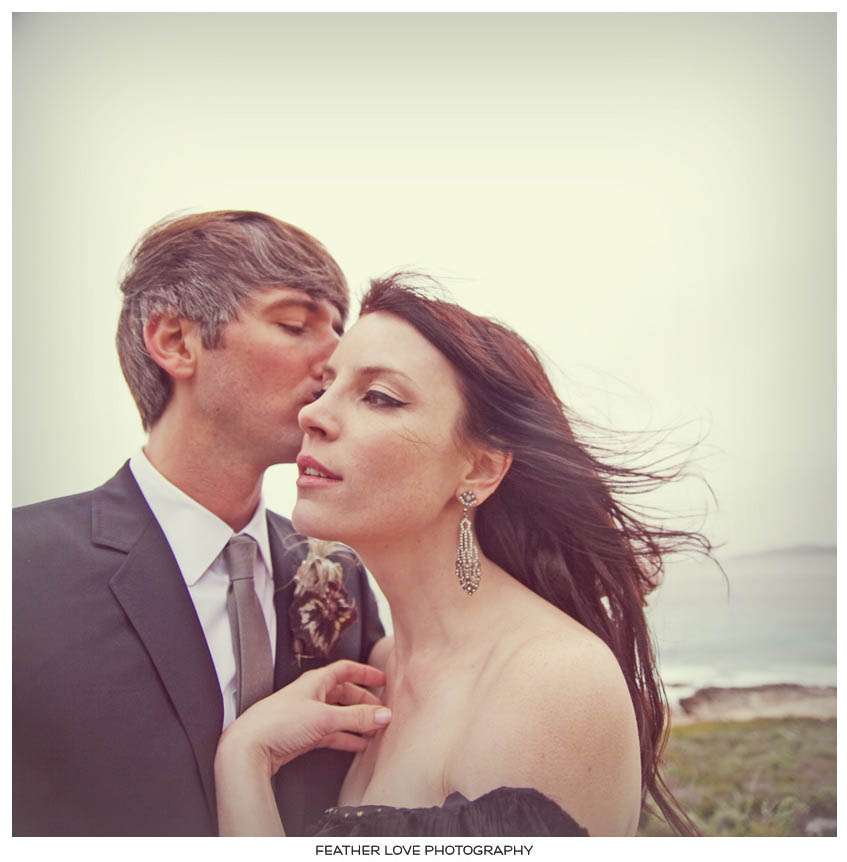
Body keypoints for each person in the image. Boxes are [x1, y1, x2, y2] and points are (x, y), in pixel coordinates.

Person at [213, 273, 710, 837]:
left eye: (379, 397)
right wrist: (248, 753)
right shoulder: (379, 669)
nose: (313, 415)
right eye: (325, 386)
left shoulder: (550, 682)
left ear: (479, 469)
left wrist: (242, 762)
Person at [12, 211, 385, 836]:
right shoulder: (21, 569)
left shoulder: (339, 574)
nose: (335, 360)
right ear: (175, 342)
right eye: (295, 324)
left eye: (338, 330)